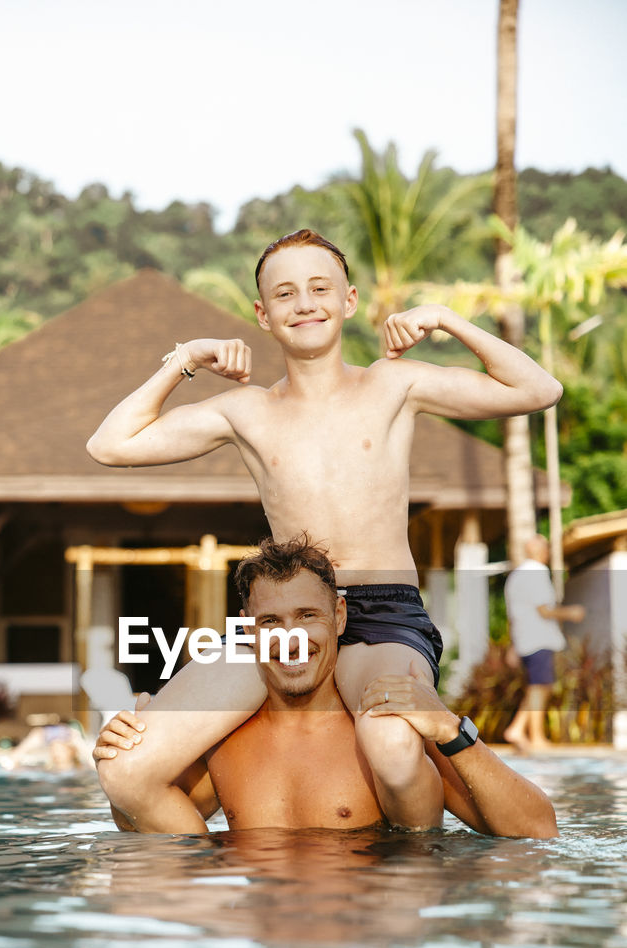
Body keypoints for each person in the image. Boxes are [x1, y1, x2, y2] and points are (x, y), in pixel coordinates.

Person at [87, 230, 562, 833]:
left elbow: (539, 389)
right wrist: (188, 359)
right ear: (263, 314)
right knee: (125, 767)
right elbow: (110, 445)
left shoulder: (395, 385)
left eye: (319, 288)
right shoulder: (247, 411)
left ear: (350, 300)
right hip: (288, 618)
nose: (304, 303)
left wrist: (447, 321)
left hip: (383, 612)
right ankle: (205, 881)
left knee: (391, 745)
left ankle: (411, 872)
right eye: (284, 293)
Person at [94, 538, 557, 840]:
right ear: (245, 633)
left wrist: (451, 730)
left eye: (307, 617)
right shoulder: (225, 743)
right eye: (271, 622)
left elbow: (538, 832)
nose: (291, 638)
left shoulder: (379, 728)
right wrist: (118, 757)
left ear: (339, 617)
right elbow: (143, 828)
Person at [503, 534, 585, 751]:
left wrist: (513, 644)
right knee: (539, 687)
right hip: (538, 638)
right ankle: (536, 737)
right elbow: (544, 610)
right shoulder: (537, 572)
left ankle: (517, 728)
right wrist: (571, 612)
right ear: (542, 551)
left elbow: (513, 615)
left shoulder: (515, 577)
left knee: (539, 686)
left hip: (525, 638)